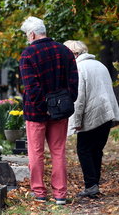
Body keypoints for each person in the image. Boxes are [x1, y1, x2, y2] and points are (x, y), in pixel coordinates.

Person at [19, 16, 78, 205]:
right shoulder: (65, 51)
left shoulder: (28, 54)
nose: (27, 39)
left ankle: (39, 192)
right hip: (60, 110)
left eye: (27, 35)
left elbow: (31, 87)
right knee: (58, 151)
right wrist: (65, 102)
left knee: (36, 152)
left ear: (33, 34)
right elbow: (74, 82)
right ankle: (60, 194)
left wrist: (43, 106)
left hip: (36, 112)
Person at [63, 40, 119, 198]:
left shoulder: (79, 67)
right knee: (96, 150)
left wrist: (76, 122)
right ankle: (94, 184)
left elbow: (79, 98)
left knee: (84, 150)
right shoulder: (99, 65)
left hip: (92, 115)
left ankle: (91, 185)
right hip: (106, 114)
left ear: (74, 53)